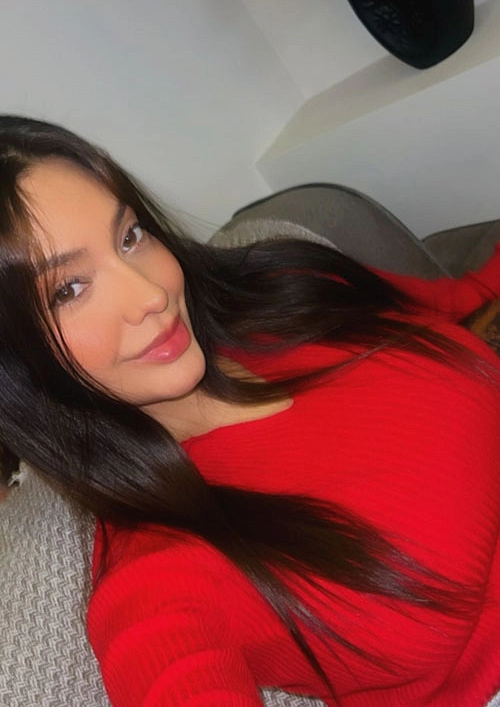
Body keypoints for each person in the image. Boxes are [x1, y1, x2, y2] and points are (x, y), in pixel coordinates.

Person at [1, 115, 500, 707]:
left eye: (130, 236)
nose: (151, 294)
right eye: (68, 290)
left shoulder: (287, 287)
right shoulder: (160, 576)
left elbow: (465, 298)